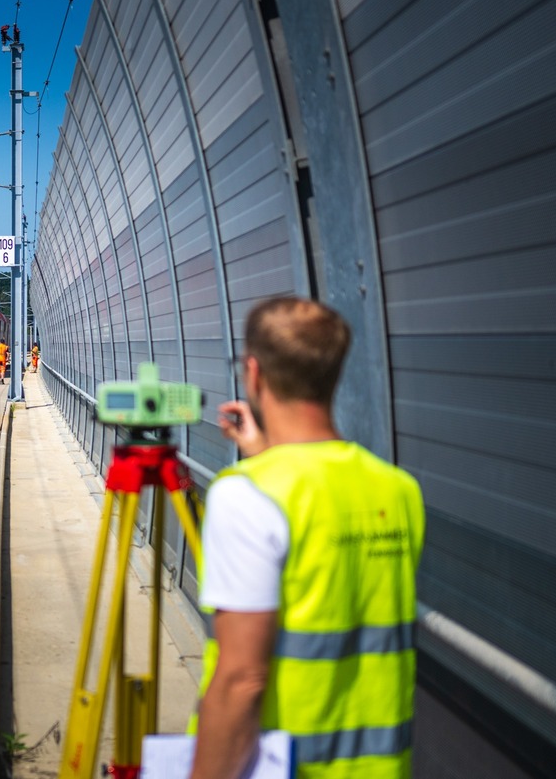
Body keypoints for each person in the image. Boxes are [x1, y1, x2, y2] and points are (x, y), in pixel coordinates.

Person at [189, 296, 424, 779]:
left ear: (253, 373)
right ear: (333, 374)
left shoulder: (247, 496)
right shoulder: (398, 489)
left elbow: (241, 680)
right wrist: (264, 451)